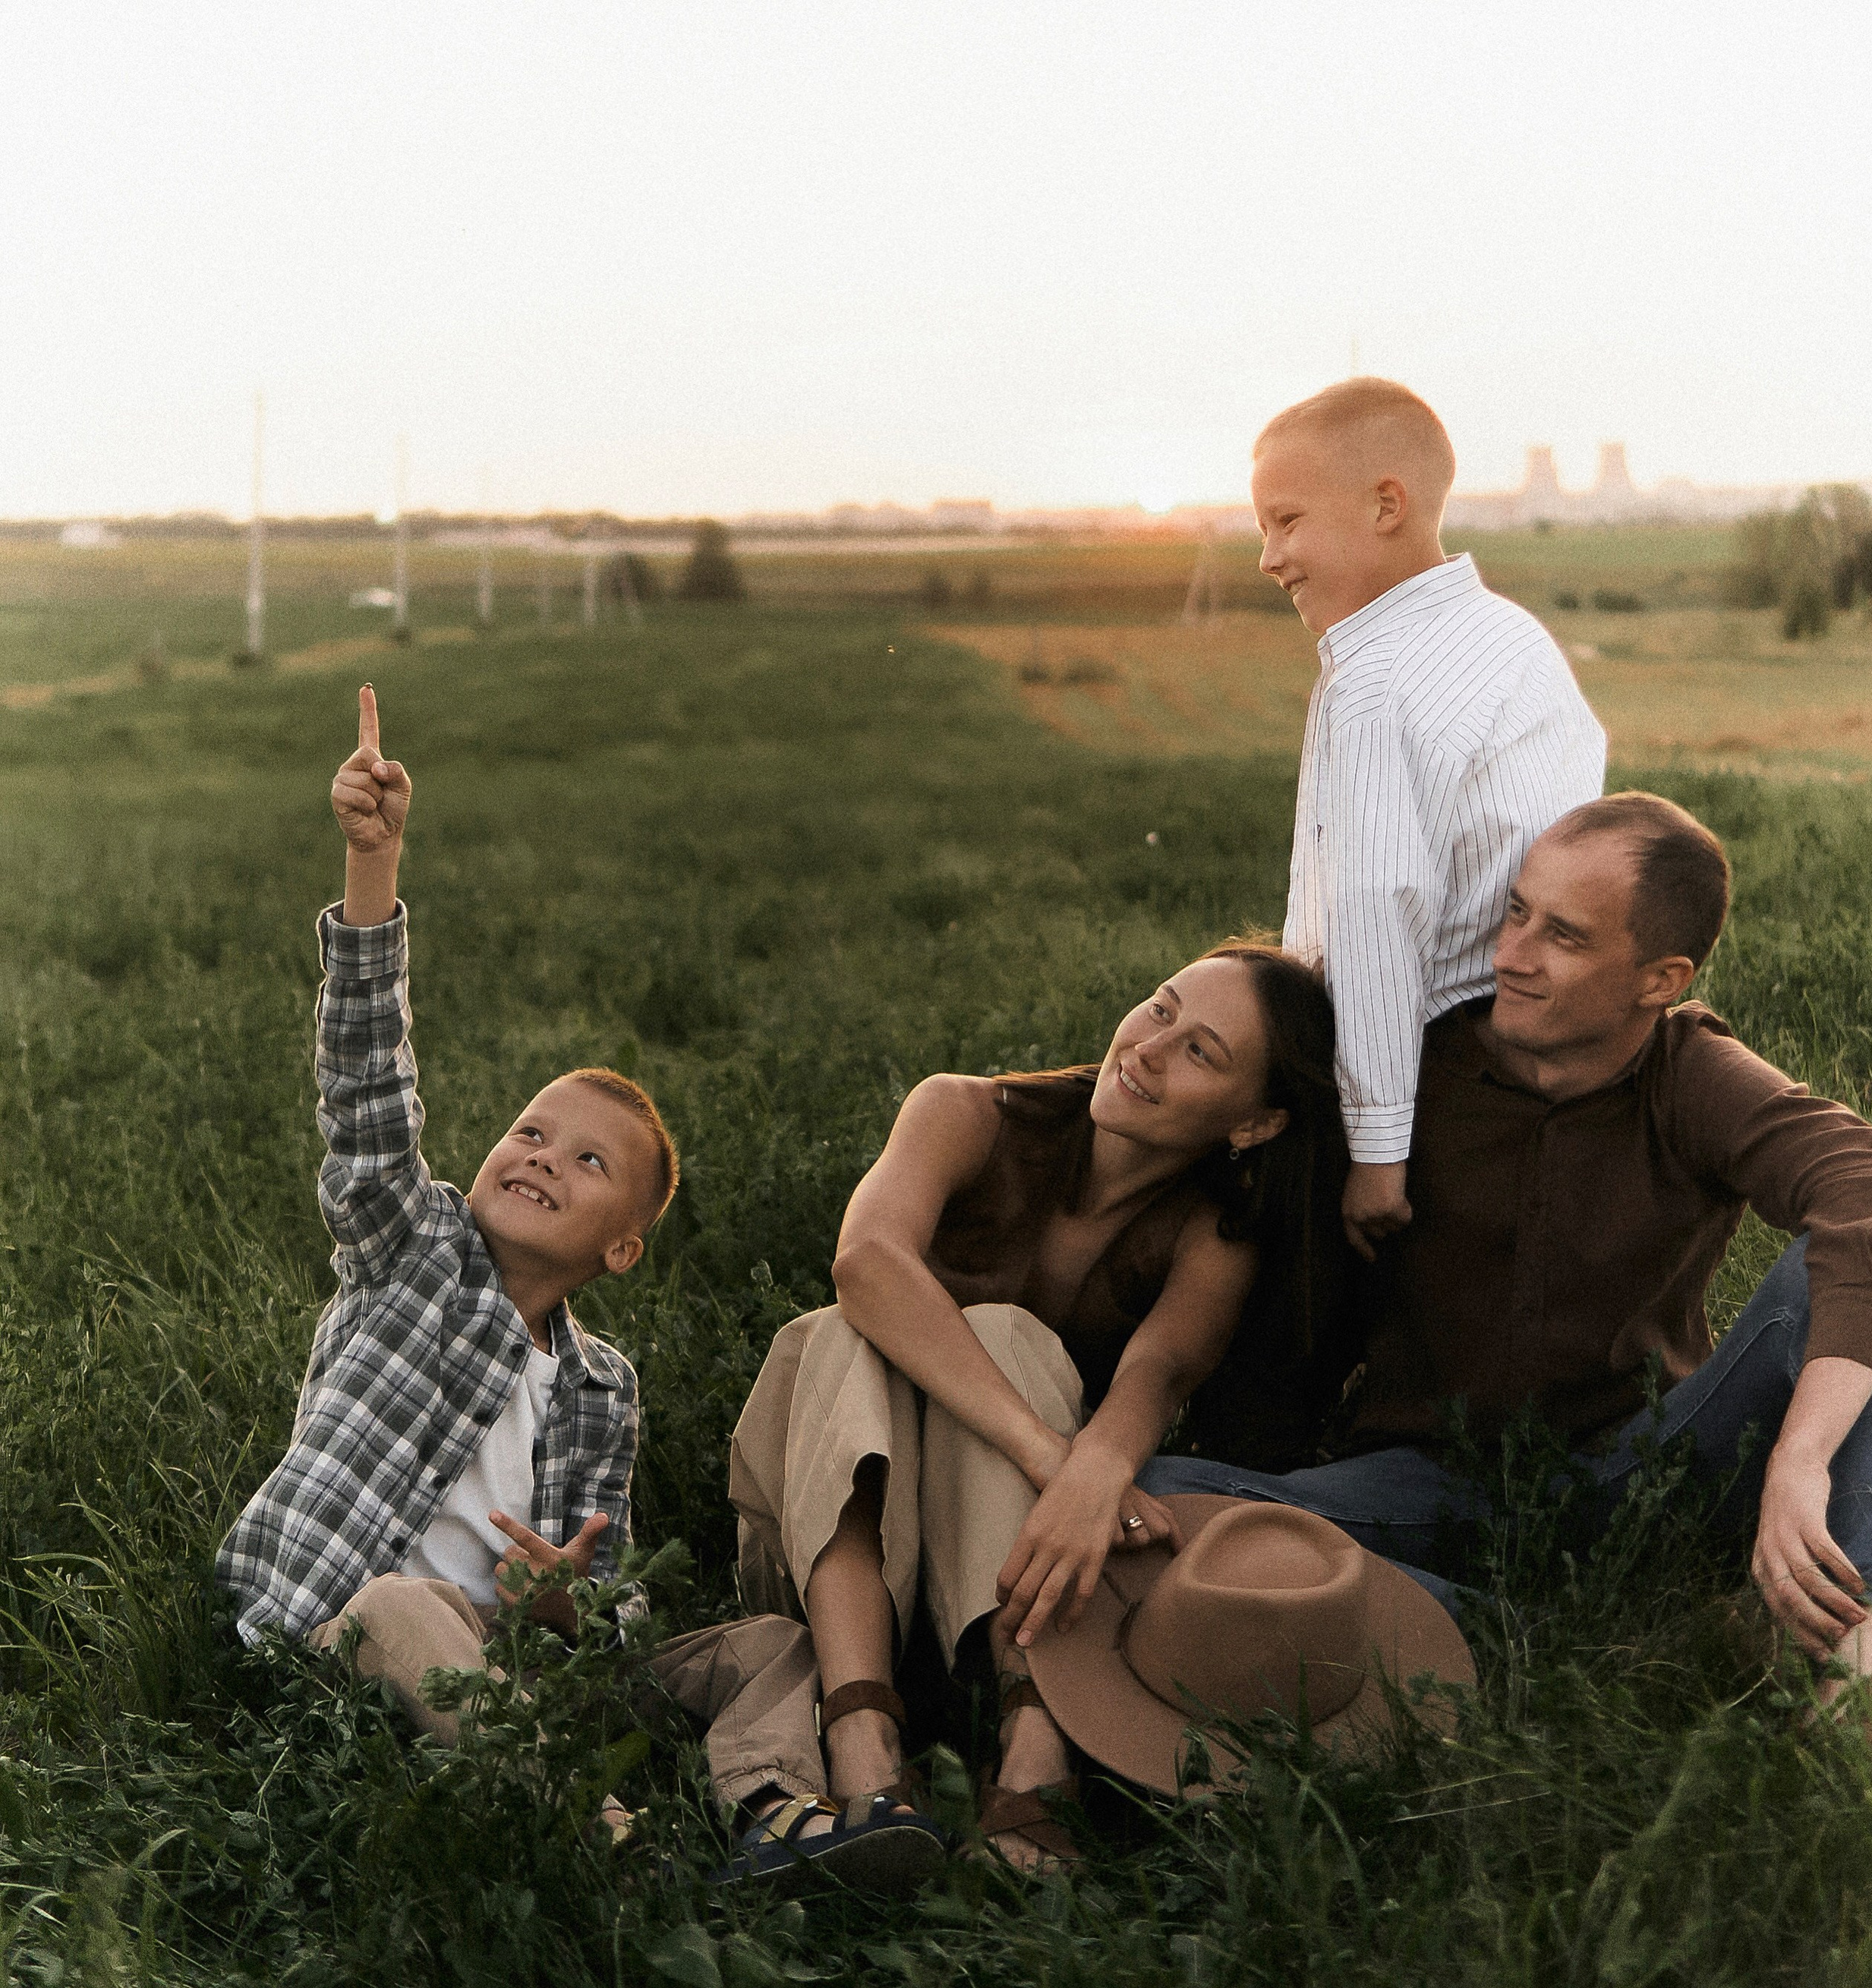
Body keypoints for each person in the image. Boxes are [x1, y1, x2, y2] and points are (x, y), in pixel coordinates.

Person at [215, 688, 875, 1864]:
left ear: (621, 1249)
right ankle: (610, 1845)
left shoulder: (600, 1388)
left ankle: (774, 1811)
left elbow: (604, 1589)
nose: (539, 1157)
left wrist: (567, 1606)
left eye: (586, 1161)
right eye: (528, 1131)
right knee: (403, 1610)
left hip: (522, 1671)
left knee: (773, 1642)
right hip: (346, 1638)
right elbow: (366, 1089)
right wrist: (375, 864)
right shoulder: (409, 1253)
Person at [1142, 794, 1872, 1706]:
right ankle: (1550, 1636)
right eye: (1515, 910)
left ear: (1658, 977)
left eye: (1563, 935)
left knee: (1837, 1281)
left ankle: (1871, 1655)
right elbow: (1226, 1098)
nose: (1510, 955)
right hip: (1427, 1480)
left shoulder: (1685, 1072)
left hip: (1643, 1463)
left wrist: (1799, 1460)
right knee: (1165, 1489)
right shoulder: (1407, 1063)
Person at [725, 940, 1356, 1876]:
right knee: (843, 1328)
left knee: (1010, 1337)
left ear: (1255, 1123)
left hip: (1012, 1590)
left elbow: (1157, 1375)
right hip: (830, 1574)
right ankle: (862, 1740)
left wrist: (1092, 1465)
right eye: (1159, 1007)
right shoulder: (966, 1111)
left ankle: (1034, 1740)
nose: (1146, 1046)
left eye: (1199, 1051)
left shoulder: (1213, 1234)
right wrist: (1052, 1455)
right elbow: (866, 1259)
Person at [1253, 378, 1606, 1261]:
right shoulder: (1513, 635)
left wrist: (1375, 1150)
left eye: (1285, 521)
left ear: (1385, 505)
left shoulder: (1372, 683)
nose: (1268, 556)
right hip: (1524, 1025)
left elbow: (1378, 908)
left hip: (1421, 1059)